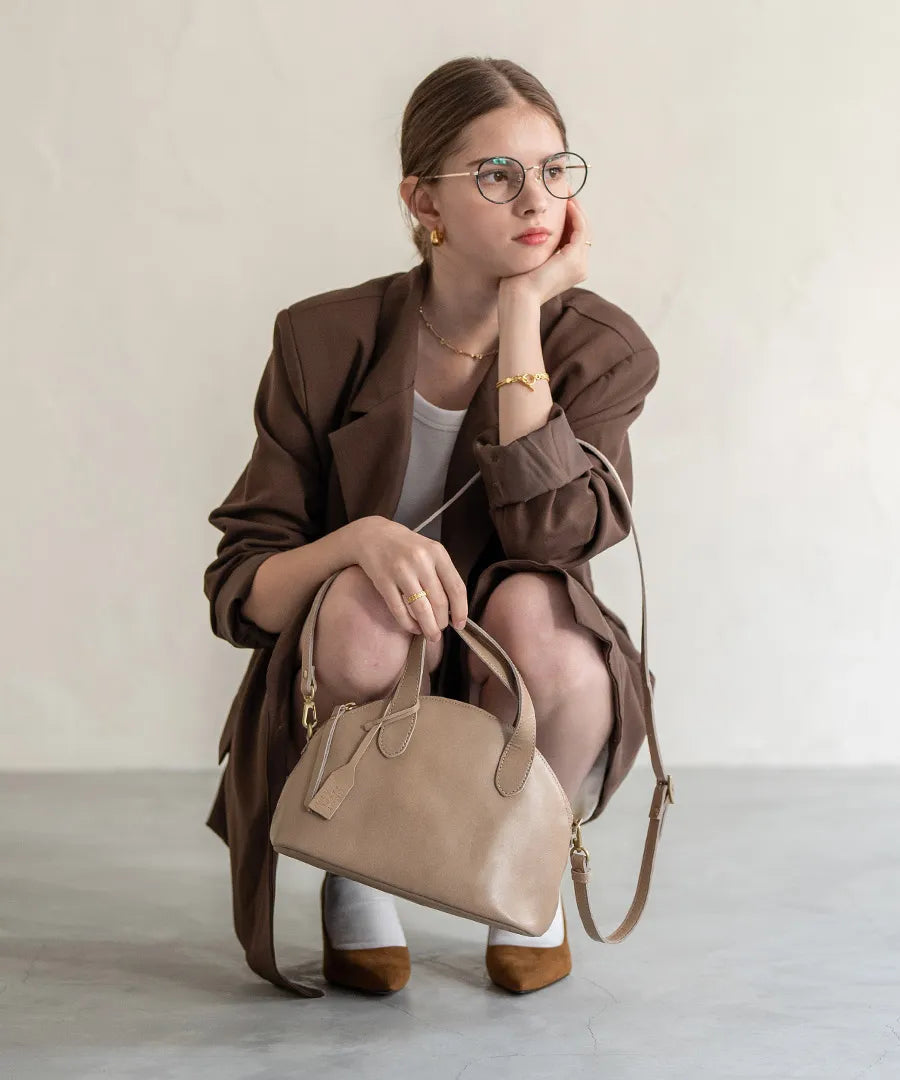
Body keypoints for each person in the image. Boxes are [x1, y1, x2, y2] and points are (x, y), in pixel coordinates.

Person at [203, 56, 661, 998]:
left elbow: (553, 537)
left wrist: (523, 310)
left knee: (546, 614)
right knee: (366, 605)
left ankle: (524, 860)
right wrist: (357, 540)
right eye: (497, 175)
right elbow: (241, 585)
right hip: (362, 670)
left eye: (554, 169)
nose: (536, 199)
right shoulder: (321, 339)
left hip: (517, 677)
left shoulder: (602, 351)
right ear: (424, 200)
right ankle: (359, 863)